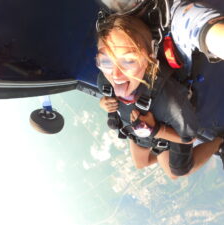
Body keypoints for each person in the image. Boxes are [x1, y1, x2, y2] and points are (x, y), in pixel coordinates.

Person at [95, 0, 224, 179]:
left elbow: (188, 138)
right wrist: (105, 103)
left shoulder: (169, 101)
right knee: (141, 164)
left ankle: (220, 142)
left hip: (160, 128)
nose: (115, 74)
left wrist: (157, 131)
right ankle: (162, 147)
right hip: (145, 128)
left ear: (149, 61)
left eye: (129, 61)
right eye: (106, 61)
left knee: (176, 172)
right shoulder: (106, 79)